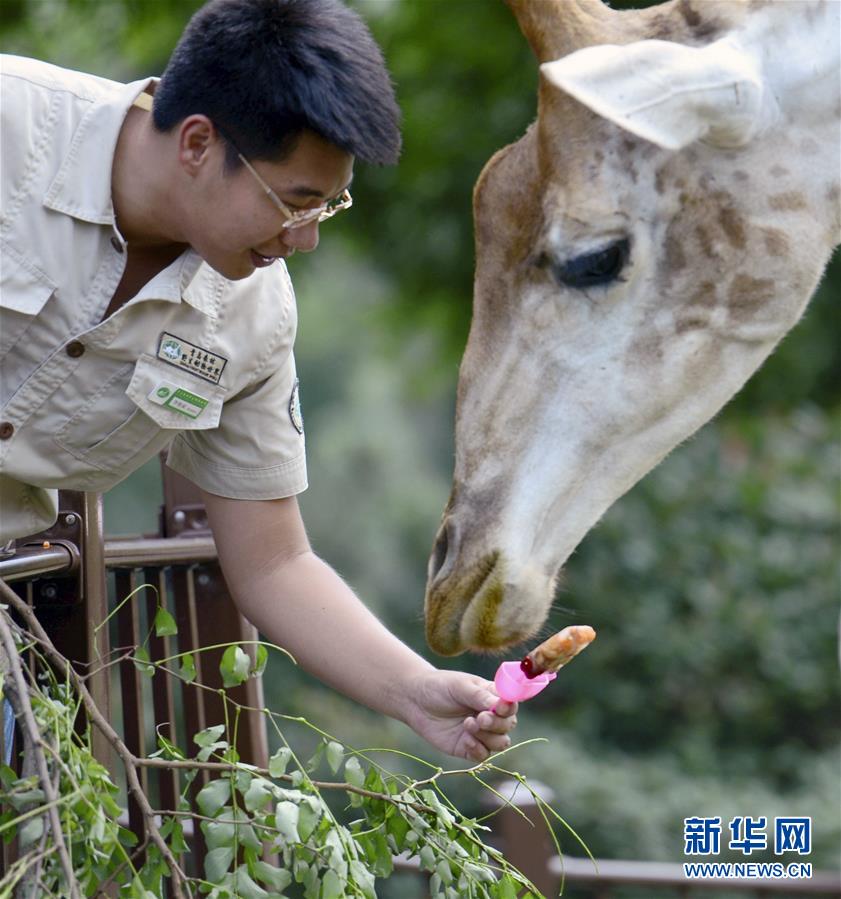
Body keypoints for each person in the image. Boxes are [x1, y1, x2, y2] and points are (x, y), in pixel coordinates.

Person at [0, 0, 517, 762]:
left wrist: (415, 692)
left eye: (328, 206)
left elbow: (274, 562)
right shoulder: (14, 127)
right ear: (199, 142)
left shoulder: (251, 317)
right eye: (294, 202)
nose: (304, 238)